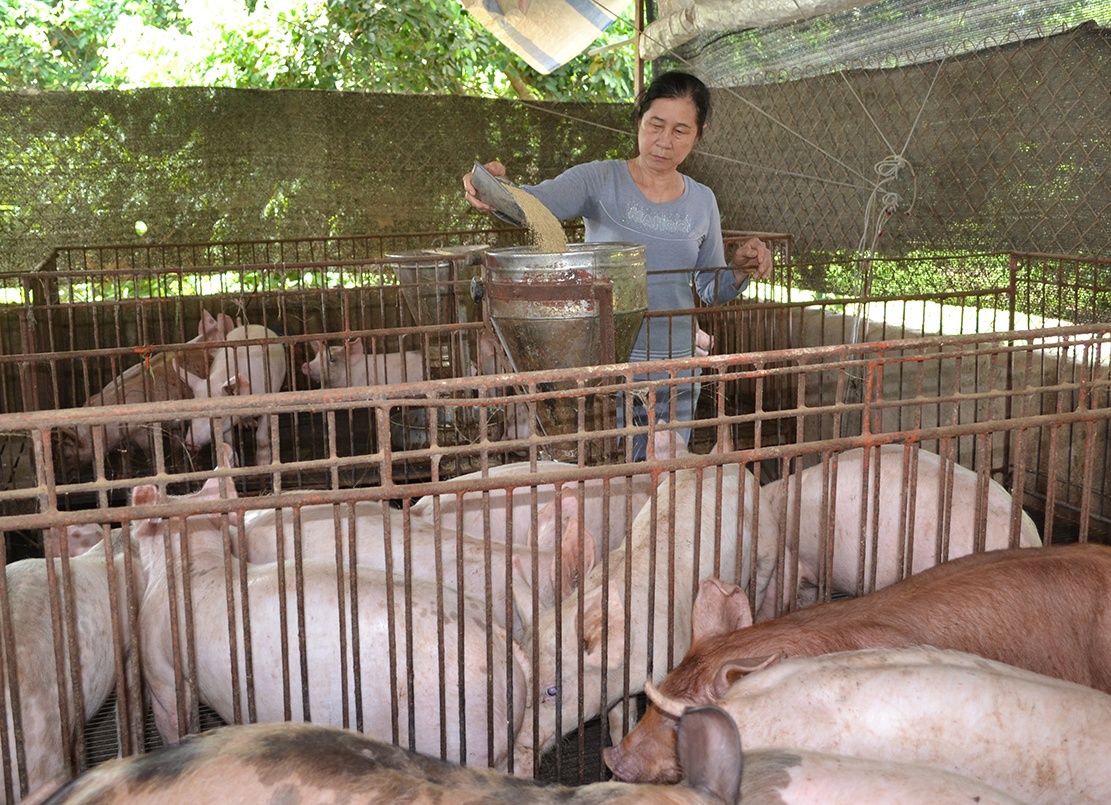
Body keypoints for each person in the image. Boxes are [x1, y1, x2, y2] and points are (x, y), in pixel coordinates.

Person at [463, 70, 773, 459]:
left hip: (677, 365)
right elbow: (532, 205)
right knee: (611, 480)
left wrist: (740, 269)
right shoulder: (600, 180)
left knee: (664, 476)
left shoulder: (702, 200)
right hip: (608, 363)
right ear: (639, 118)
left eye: (681, 131)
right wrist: (494, 188)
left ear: (699, 133)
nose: (664, 141)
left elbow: (710, 290)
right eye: (655, 125)